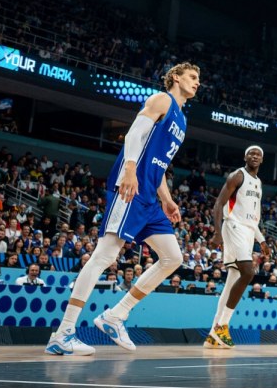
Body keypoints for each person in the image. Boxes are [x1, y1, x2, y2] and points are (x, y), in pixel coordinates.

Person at [45, 62, 198, 357]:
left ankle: (115, 315)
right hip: (132, 188)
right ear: (176, 78)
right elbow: (133, 136)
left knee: (172, 257)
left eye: (199, 79)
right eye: (193, 77)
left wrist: (166, 198)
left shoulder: (182, 119)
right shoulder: (161, 99)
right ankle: (63, 333)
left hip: (151, 198)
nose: (197, 83)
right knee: (105, 255)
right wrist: (128, 169)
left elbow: (159, 164)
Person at [204, 145, 267, 349]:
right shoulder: (237, 176)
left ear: (262, 160)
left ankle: (214, 333)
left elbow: (253, 218)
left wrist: (262, 240)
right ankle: (223, 325)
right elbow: (219, 204)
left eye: (258, 154)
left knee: (233, 280)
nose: (255, 156)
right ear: (245, 156)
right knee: (248, 273)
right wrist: (216, 231)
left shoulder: (258, 183)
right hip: (233, 227)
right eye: (251, 153)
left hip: (248, 232)